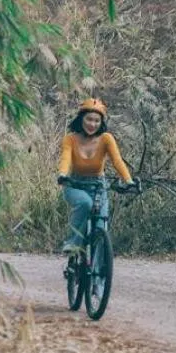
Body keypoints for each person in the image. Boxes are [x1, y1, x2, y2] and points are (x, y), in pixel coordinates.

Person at [57, 97, 134, 253]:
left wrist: (128, 180)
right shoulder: (70, 139)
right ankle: (73, 243)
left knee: (100, 226)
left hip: (99, 186)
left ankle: (98, 267)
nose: (92, 124)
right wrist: (63, 174)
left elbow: (117, 161)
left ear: (101, 123)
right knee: (85, 203)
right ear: (81, 119)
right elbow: (66, 157)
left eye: (97, 121)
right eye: (89, 119)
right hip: (74, 184)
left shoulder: (106, 139)